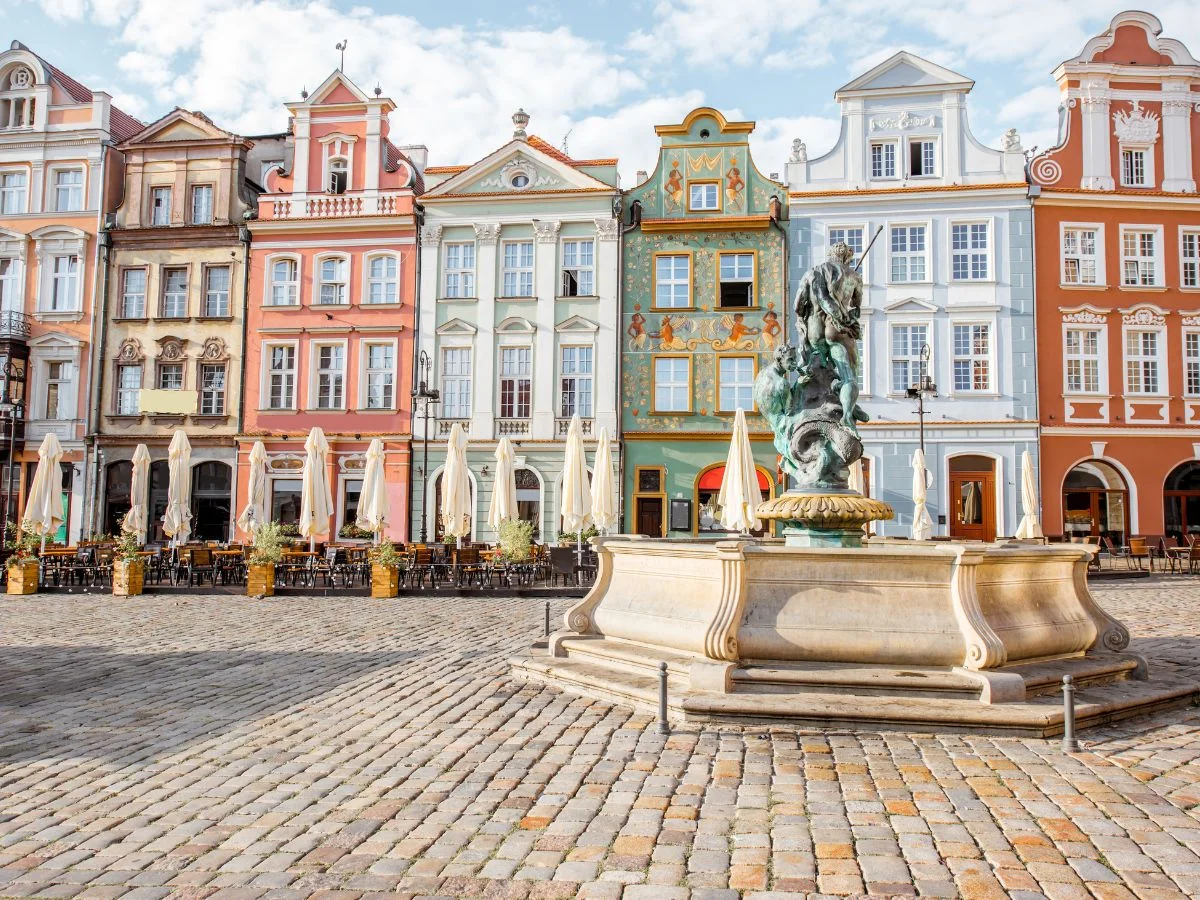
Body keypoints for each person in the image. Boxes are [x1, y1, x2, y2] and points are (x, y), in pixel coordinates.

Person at [793, 241, 864, 433]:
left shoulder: (813, 273)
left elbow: (797, 305)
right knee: (849, 376)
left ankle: (810, 408)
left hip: (815, 329)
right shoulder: (854, 276)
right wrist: (847, 318)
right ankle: (848, 413)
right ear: (846, 258)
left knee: (814, 372)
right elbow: (856, 307)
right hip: (837, 330)